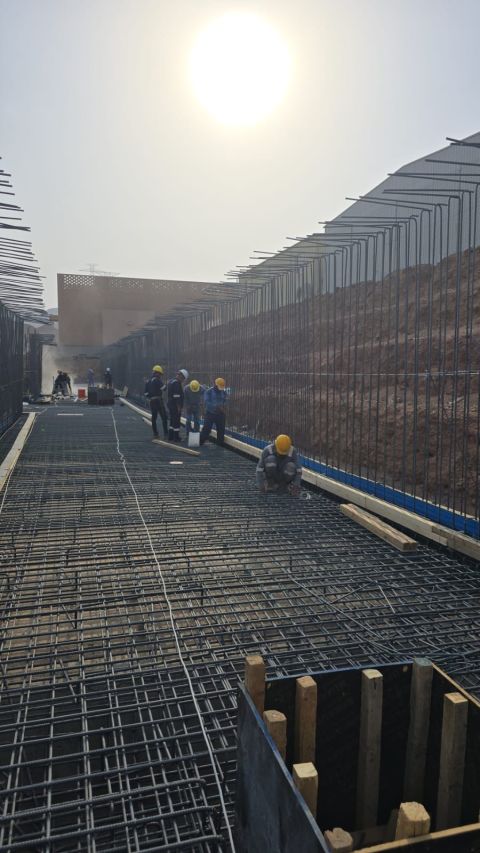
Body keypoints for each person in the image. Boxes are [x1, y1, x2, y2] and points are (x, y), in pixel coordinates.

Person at [200, 378, 227, 446]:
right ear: (215, 385)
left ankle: (220, 445)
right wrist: (216, 407)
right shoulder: (208, 392)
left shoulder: (224, 392)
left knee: (221, 430)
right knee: (207, 428)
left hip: (220, 414)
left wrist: (223, 406)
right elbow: (206, 402)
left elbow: (226, 401)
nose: (220, 389)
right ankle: (200, 442)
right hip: (210, 413)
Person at [145, 364, 168, 439]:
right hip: (158, 401)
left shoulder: (148, 381)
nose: (160, 376)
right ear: (157, 373)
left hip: (152, 401)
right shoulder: (157, 380)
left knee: (154, 418)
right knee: (164, 417)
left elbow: (146, 393)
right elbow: (164, 388)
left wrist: (150, 397)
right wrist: (166, 384)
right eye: (160, 374)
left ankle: (155, 434)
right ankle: (166, 434)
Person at [167, 368, 188, 441]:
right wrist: (179, 407)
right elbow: (177, 396)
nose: (183, 381)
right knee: (176, 421)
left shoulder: (171, 381)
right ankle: (176, 437)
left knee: (172, 420)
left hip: (170, 404)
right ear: (181, 376)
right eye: (183, 379)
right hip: (175, 405)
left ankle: (170, 436)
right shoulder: (176, 383)